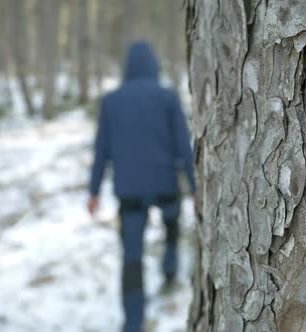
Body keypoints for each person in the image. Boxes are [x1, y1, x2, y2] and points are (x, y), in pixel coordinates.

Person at [87, 41, 195, 332]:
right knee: (172, 225)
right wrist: (196, 188)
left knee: (131, 256)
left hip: (130, 193)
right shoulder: (168, 97)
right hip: (166, 186)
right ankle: (170, 271)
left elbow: (101, 151)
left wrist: (94, 191)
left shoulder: (111, 101)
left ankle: (133, 322)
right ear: (153, 65)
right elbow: (184, 147)